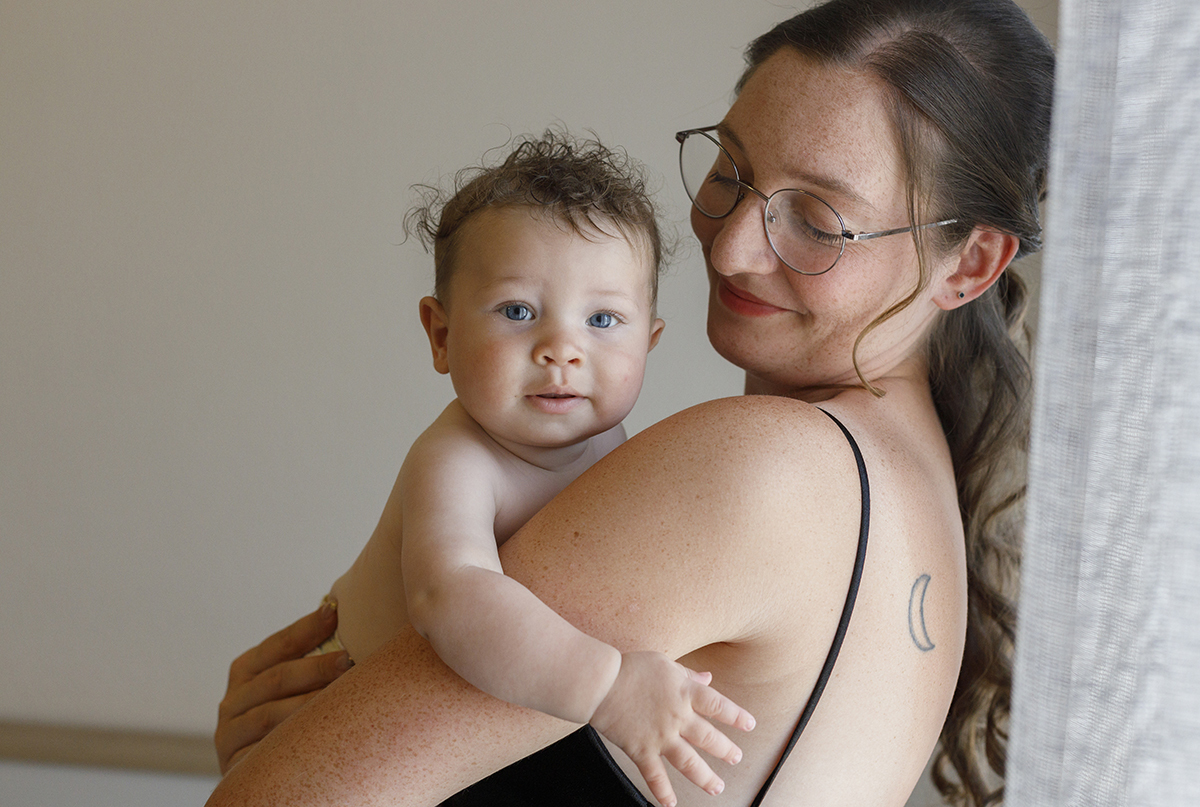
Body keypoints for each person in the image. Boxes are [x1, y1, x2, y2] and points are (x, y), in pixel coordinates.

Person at [209, 1, 1054, 805]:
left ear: (971, 263)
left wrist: (279, 758)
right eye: (730, 170)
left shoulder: (767, 470)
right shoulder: (918, 486)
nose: (728, 246)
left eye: (819, 218)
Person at [297, 130, 753, 807]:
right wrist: (607, 684)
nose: (561, 349)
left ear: (649, 342)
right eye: (518, 311)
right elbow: (452, 597)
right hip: (329, 708)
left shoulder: (621, 450)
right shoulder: (456, 459)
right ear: (441, 334)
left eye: (603, 318)